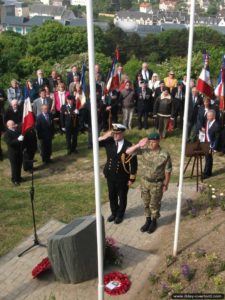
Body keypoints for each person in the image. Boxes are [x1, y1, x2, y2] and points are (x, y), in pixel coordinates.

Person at [126, 132, 172, 233]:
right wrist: (139, 144)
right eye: (150, 141)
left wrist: (166, 184)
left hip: (157, 183)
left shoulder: (164, 154)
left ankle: (154, 221)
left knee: (154, 204)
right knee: (146, 202)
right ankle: (147, 220)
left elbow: (168, 170)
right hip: (144, 182)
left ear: (158, 141)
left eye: (153, 142)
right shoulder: (144, 150)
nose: (151, 144)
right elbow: (128, 152)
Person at [99, 124, 138, 224]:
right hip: (110, 174)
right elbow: (95, 143)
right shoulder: (109, 142)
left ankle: (120, 214)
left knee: (122, 196)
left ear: (122, 133)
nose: (116, 135)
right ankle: (114, 212)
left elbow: (133, 163)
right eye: (114, 133)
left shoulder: (129, 145)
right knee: (112, 195)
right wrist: (106, 135)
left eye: (118, 133)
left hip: (122, 176)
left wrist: (132, 178)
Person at [202, 110, 221, 179]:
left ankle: (206, 173)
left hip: (211, 144)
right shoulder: (208, 122)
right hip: (206, 142)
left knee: (208, 159)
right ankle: (208, 172)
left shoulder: (216, 125)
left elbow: (217, 138)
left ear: (213, 116)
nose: (208, 117)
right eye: (207, 116)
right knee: (208, 158)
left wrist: (213, 147)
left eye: (209, 116)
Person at [4, 120, 24, 185]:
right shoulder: (7, 133)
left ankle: (19, 177)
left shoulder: (16, 131)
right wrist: (18, 140)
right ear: (8, 126)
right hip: (13, 153)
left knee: (19, 165)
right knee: (14, 166)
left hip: (19, 151)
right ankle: (15, 180)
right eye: (12, 124)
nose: (14, 125)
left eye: (14, 123)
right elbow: (10, 143)